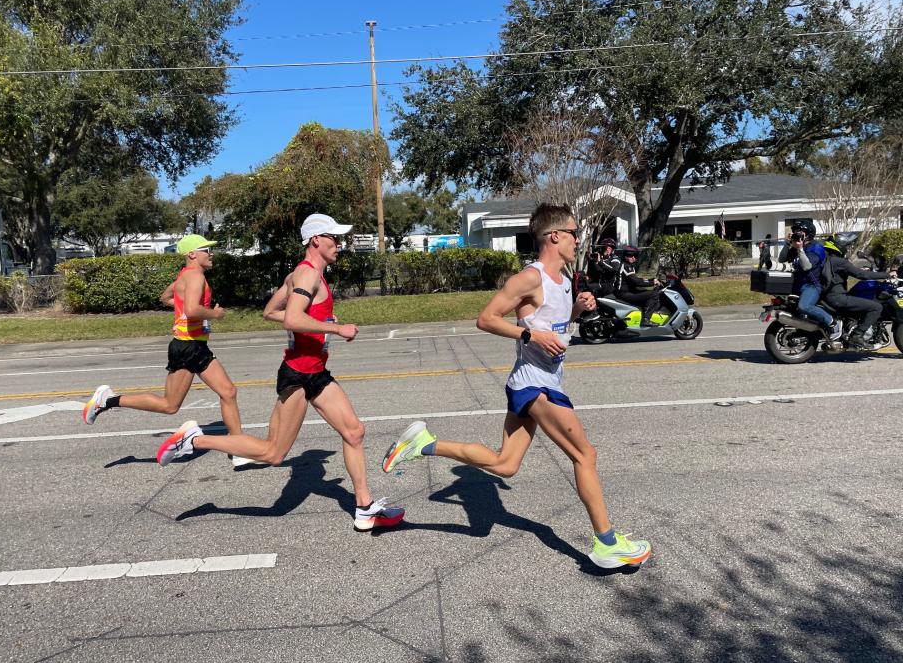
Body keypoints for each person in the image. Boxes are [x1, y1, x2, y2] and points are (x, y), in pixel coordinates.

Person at [381, 203, 650, 569]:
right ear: (555, 236)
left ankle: (426, 444)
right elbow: (486, 319)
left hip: (542, 380)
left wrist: (576, 313)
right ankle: (606, 543)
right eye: (574, 233)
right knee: (585, 455)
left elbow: (554, 329)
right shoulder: (530, 277)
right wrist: (529, 334)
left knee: (506, 465)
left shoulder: (564, 281)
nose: (578, 239)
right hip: (534, 384)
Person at [155, 213, 405, 533]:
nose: (339, 244)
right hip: (297, 376)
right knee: (273, 453)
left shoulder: (300, 276)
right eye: (334, 238)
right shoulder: (306, 276)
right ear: (316, 240)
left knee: (354, 432)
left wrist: (317, 325)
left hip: (316, 372)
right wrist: (335, 327)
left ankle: (365, 508)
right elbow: (291, 319)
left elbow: (271, 312)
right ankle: (196, 440)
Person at [81, 234, 242, 439]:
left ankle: (238, 445)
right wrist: (215, 314)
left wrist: (184, 308)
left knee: (228, 392)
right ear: (192, 254)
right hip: (187, 346)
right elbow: (193, 310)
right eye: (206, 250)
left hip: (195, 346)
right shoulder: (195, 276)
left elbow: (166, 298)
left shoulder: (185, 274)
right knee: (169, 405)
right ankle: (107, 400)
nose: (211, 254)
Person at [821, 233, 896, 348]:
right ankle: (857, 335)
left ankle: (851, 328)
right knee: (876, 307)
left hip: (830, 296)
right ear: (839, 246)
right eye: (846, 245)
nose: (847, 248)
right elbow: (862, 275)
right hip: (838, 298)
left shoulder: (829, 259)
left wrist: (860, 270)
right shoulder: (840, 261)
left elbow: (847, 272)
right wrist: (887, 275)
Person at [779, 219, 841, 340]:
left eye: (800, 232)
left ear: (808, 234)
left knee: (804, 306)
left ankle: (832, 322)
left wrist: (800, 249)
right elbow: (782, 259)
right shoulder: (796, 247)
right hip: (798, 284)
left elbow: (807, 266)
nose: (797, 234)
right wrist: (788, 243)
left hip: (812, 285)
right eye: (795, 231)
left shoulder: (816, 248)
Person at [613, 245, 661, 327]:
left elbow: (637, 279)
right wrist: (652, 282)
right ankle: (646, 319)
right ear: (625, 256)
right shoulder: (626, 266)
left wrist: (651, 280)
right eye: (630, 255)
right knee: (653, 294)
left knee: (648, 293)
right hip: (624, 294)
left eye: (635, 256)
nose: (633, 258)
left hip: (626, 292)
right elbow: (637, 282)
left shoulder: (628, 266)